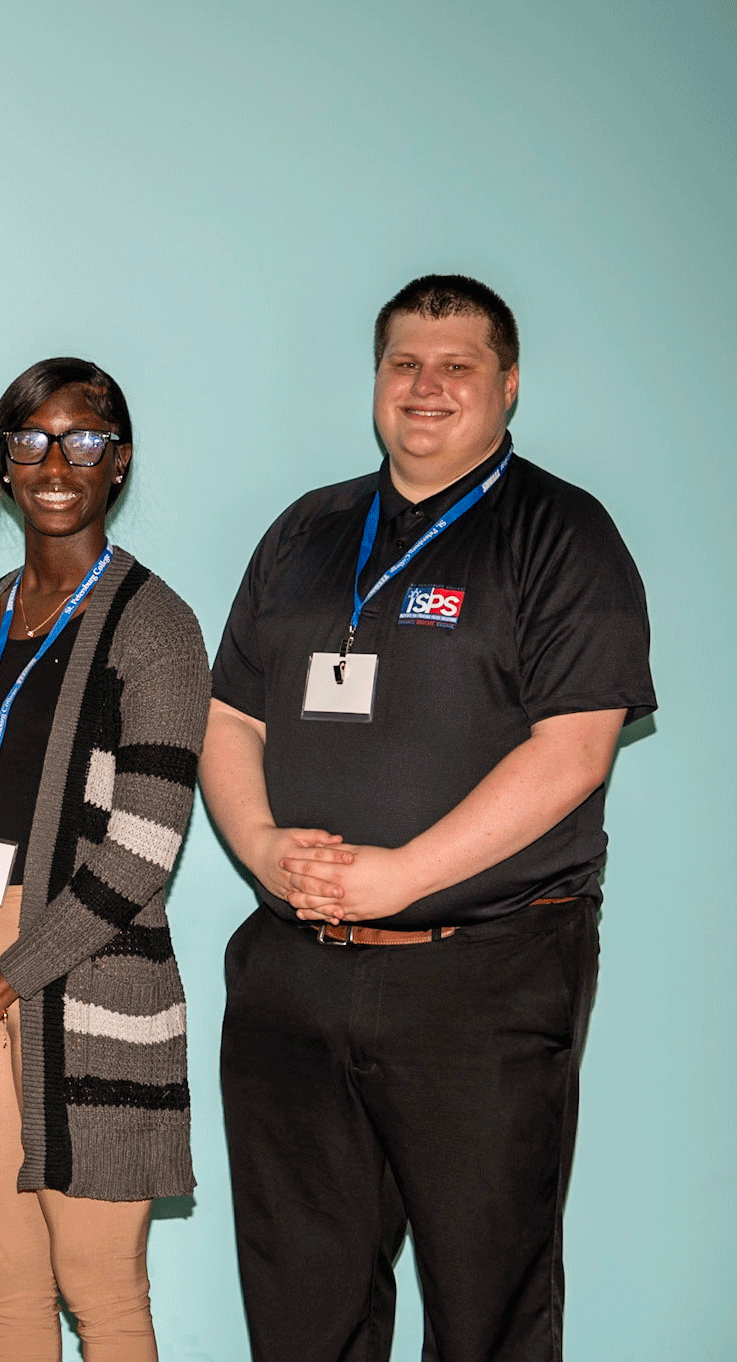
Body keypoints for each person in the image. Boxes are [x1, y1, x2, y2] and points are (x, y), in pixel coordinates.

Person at [201, 274, 655, 1362]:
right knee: (301, 1306)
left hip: (482, 978)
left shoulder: (559, 533)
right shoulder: (306, 531)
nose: (425, 386)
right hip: (293, 971)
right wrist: (262, 848)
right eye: (403, 362)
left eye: (455, 366)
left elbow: (573, 749)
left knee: (484, 1306)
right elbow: (229, 720)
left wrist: (399, 875)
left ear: (505, 384)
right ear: (374, 380)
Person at [0, 358, 208, 1361]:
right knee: (7, 1287)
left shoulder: (155, 628)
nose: (54, 462)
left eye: (82, 439)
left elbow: (140, 853)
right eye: (30, 441)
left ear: (118, 463)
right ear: (2, 468)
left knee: (99, 1290)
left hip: (83, 975)